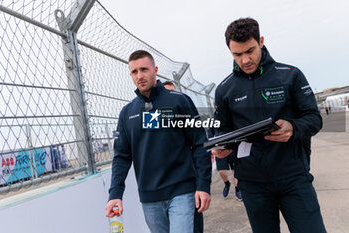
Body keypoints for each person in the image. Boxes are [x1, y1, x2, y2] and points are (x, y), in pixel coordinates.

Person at [213, 18, 326, 233]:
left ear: (261, 41)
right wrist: (223, 147)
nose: (245, 60)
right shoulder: (225, 89)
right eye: (237, 54)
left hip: (293, 177)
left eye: (250, 51)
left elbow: (314, 118)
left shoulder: (290, 74)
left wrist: (293, 127)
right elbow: (223, 130)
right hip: (252, 184)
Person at [105, 50, 212, 233]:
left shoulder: (180, 102)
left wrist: (203, 185)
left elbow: (200, 144)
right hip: (150, 198)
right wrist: (115, 194)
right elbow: (122, 156)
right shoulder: (127, 113)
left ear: (155, 70)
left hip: (182, 192)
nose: (140, 76)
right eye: (134, 72)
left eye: (144, 69)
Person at [163, 79, 205, 233]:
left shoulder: (184, 109)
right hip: (166, 185)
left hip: (188, 178)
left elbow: (199, 144)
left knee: (194, 219)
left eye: (172, 92)